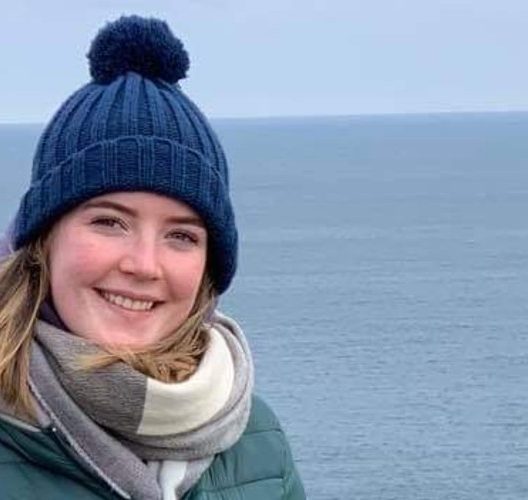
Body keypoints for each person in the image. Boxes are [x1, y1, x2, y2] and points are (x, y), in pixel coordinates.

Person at [0, 15, 305, 500]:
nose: (144, 264)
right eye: (109, 222)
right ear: (42, 241)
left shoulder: (255, 439)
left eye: (182, 236)